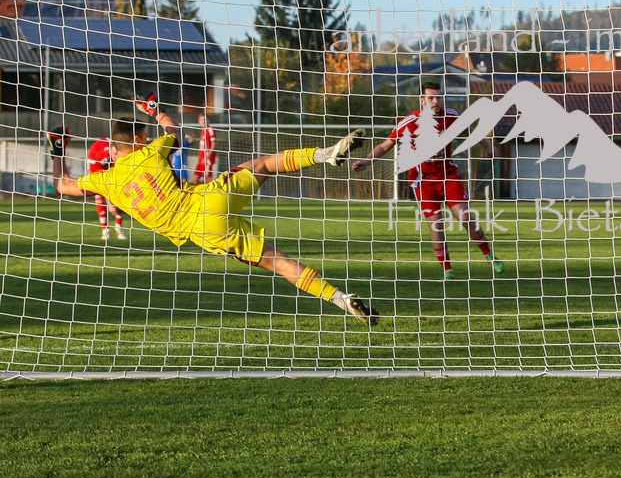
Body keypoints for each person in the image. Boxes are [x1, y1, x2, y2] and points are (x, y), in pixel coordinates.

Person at [46, 93, 379, 325]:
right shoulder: (149, 153)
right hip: (209, 198)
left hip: (204, 231)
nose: (148, 140)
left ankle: (339, 298)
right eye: (145, 137)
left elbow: (63, 185)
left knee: (280, 263)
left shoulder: (104, 180)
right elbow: (174, 131)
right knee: (263, 164)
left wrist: (57, 149)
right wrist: (155, 110)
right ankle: (326, 154)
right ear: (137, 140)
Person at [351, 81, 503, 280]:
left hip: (449, 176)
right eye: (431, 97)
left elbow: (469, 130)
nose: (435, 101)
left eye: (438, 97)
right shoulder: (409, 122)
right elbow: (386, 145)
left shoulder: (450, 116)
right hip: (423, 181)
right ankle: (447, 269)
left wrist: (487, 145)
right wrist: (366, 161)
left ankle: (488, 254)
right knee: (436, 223)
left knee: (465, 218)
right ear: (422, 100)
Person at [86, 136, 128, 241]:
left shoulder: (122, 155)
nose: (117, 156)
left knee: (122, 193)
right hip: (97, 168)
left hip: (114, 170)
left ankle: (119, 226)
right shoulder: (97, 153)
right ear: (110, 150)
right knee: (99, 196)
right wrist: (110, 203)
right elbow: (102, 185)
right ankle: (105, 230)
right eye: (115, 154)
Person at [190, 114, 216, 184]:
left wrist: (207, 158)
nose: (203, 121)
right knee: (194, 180)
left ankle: (209, 194)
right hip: (201, 159)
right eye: (201, 119)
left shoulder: (210, 130)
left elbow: (213, 145)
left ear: (208, 120)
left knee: (208, 181)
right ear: (199, 121)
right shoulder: (203, 130)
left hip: (207, 159)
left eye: (205, 119)